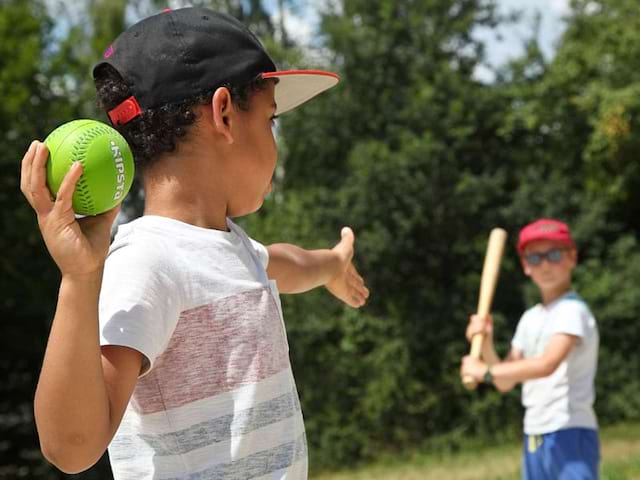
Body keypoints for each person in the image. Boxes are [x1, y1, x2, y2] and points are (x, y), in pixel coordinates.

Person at [20, 7, 369, 479]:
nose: (274, 140)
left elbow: (282, 264)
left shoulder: (230, 248)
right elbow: (71, 447)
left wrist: (331, 264)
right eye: (270, 120)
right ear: (224, 113)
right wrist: (80, 279)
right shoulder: (148, 262)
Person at [460, 218, 600, 480]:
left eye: (554, 255)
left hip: (569, 430)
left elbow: (547, 364)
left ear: (572, 258)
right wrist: (487, 343)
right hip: (534, 431)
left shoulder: (573, 311)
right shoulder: (530, 318)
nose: (545, 264)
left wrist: (485, 370)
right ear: (525, 266)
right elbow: (505, 381)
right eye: (535, 258)